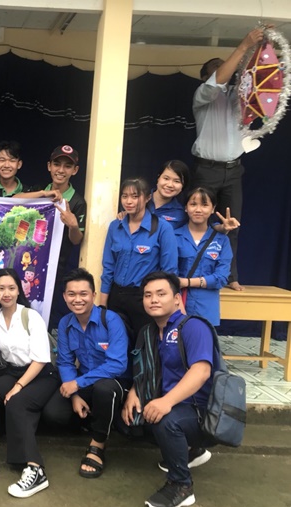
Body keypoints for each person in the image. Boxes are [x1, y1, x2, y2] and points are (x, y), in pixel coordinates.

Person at [122, 271, 215, 507]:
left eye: (161, 294)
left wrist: (165, 402)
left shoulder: (193, 326)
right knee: (131, 420)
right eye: (148, 295)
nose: (153, 299)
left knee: (165, 420)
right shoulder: (149, 332)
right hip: (172, 404)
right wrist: (134, 391)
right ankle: (191, 451)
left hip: (201, 411)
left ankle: (181, 486)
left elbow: (201, 371)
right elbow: (148, 369)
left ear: (176, 299)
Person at [191, 27, 266, 291]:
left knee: (231, 226)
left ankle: (230, 276)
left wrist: (261, 48)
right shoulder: (202, 94)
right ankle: (196, 273)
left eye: (225, 66)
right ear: (205, 77)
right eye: (216, 67)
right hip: (207, 170)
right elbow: (218, 80)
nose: (225, 69)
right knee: (199, 221)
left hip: (234, 171)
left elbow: (262, 81)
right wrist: (244, 44)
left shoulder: (241, 96)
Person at [0, 269, 59, 498]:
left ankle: (35, 469)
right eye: (1, 288)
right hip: (14, 371)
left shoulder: (30, 316)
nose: (7, 293)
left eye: (11, 288)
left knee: (16, 402)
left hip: (42, 373)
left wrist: (18, 387)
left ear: (19, 291)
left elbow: (41, 359)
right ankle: (11, 431)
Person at [44, 268, 129, 478]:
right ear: (64, 297)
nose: (77, 299)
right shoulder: (65, 323)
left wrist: (77, 384)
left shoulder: (111, 320)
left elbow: (117, 365)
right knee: (54, 414)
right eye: (71, 294)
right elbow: (65, 362)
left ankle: (98, 445)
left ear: (93, 295)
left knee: (104, 389)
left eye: (83, 294)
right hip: (83, 382)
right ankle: (94, 420)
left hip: (112, 383)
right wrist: (74, 395)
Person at [15, 144, 88, 327]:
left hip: (56, 271)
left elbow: (77, 240)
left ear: (75, 170)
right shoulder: (39, 189)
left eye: (67, 166)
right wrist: (43, 194)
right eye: (57, 164)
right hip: (28, 264)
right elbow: (13, 201)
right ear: (49, 166)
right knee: (23, 309)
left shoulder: (77, 201)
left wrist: (73, 225)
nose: (61, 170)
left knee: (48, 318)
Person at [100, 178, 178, 335]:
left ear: (148, 198)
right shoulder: (115, 226)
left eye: (135, 196)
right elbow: (108, 267)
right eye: (124, 196)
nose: (129, 201)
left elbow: (169, 271)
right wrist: (102, 306)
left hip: (145, 297)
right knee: (117, 342)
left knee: (144, 343)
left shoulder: (162, 228)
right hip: (117, 296)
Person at [175, 187, 233, 326]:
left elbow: (221, 278)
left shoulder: (222, 240)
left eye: (204, 205)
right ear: (186, 208)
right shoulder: (173, 236)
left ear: (213, 209)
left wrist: (187, 282)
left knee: (204, 339)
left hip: (206, 308)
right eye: (193, 204)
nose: (198, 209)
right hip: (177, 304)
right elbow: (167, 271)